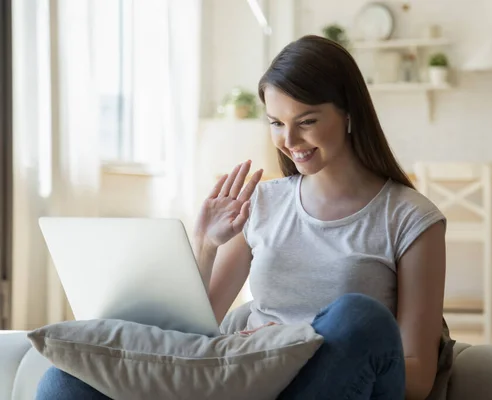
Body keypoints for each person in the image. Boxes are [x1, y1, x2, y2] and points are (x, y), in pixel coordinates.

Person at [36, 35, 453, 400]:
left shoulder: (410, 218)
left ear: (349, 115)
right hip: (252, 379)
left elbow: (416, 376)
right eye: (276, 123)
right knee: (64, 382)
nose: (289, 141)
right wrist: (206, 244)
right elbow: (196, 331)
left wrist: (292, 345)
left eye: (306, 121)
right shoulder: (262, 203)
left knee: (358, 317)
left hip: (330, 381)